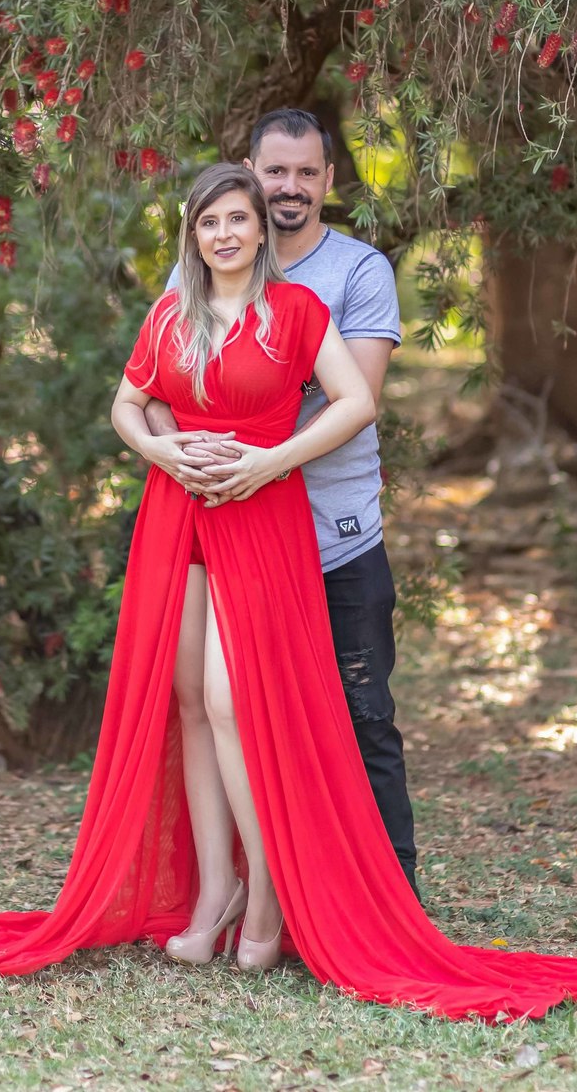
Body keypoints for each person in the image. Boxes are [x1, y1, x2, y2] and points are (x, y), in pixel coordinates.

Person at [0, 162, 577, 1025]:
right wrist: (160, 451)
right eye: (209, 222)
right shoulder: (172, 312)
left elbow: (355, 402)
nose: (224, 235)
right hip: (176, 517)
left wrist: (269, 462)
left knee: (230, 703)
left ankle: (269, 896)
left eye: (237, 220)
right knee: (185, 702)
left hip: (261, 515)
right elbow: (127, 403)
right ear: (194, 232)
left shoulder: (296, 310)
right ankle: (213, 896)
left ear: (260, 229)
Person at [153, 108, 419, 892]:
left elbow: (357, 399)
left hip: (334, 533)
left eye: (307, 173)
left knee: (360, 713)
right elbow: (158, 384)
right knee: (234, 713)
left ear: (329, 180)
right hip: (228, 534)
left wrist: (265, 460)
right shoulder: (201, 269)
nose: (291, 187)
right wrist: (180, 451)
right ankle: (265, 895)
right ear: (251, 173)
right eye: (276, 172)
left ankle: (390, 898)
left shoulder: (356, 273)